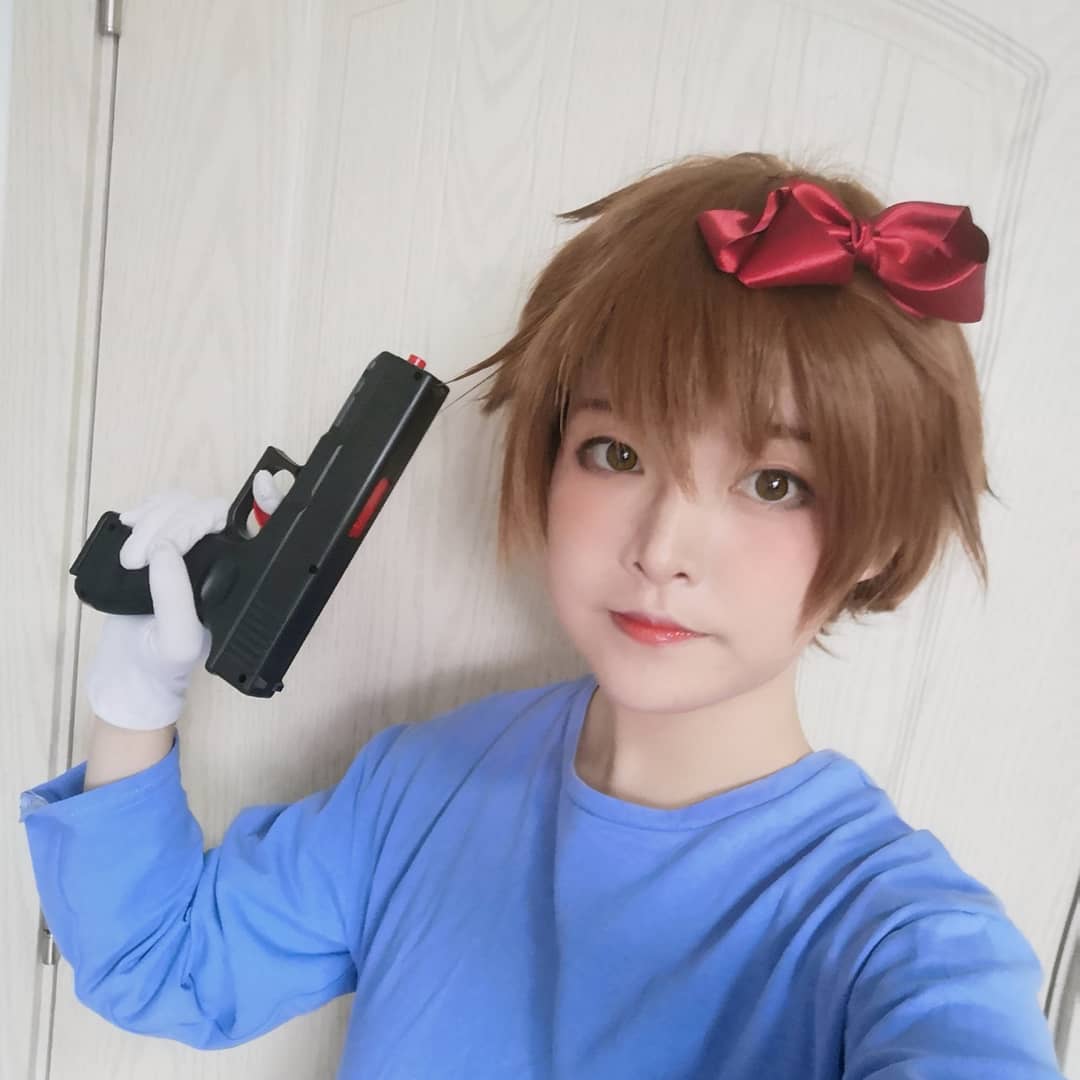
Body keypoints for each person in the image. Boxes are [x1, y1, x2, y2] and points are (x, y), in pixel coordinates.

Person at [19, 152, 1064, 1078]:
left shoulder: (902, 939)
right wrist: (133, 699)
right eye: (618, 453)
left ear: (879, 534)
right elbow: (164, 963)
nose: (661, 548)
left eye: (774, 483)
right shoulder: (423, 784)